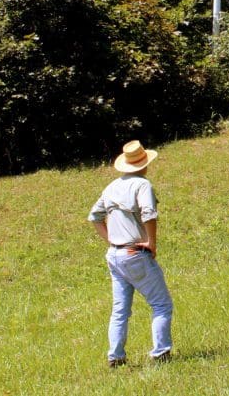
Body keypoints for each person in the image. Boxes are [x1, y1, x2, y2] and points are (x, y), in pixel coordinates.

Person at [88, 140, 173, 368]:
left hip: (115, 255)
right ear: (144, 164)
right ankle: (161, 353)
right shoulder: (142, 185)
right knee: (161, 304)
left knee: (120, 310)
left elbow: (94, 217)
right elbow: (149, 213)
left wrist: (111, 241)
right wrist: (151, 243)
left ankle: (116, 357)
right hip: (135, 253)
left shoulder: (111, 187)